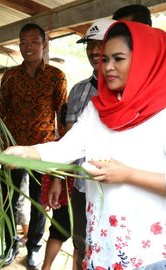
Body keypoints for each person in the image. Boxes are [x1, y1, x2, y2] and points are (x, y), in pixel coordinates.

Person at [4, 21, 166, 269]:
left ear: (146, 61)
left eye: (118, 59)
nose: (108, 67)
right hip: (103, 244)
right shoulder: (98, 108)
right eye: (104, 59)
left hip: (148, 250)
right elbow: (65, 148)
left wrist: (127, 175)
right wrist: (26, 152)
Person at [0, 22, 68, 268]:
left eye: (33, 41)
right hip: (12, 149)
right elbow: (3, 105)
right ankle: (10, 245)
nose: (27, 47)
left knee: (38, 203)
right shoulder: (10, 76)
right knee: (8, 198)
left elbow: (62, 117)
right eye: (23, 42)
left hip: (42, 151)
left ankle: (33, 247)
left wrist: (60, 157)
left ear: (44, 44)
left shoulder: (56, 76)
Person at [42, 18, 116, 270]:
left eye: (101, 45)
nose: (95, 52)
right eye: (90, 46)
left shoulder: (141, 94)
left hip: (119, 192)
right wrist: (56, 179)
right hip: (84, 187)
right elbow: (70, 142)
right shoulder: (79, 91)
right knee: (81, 243)